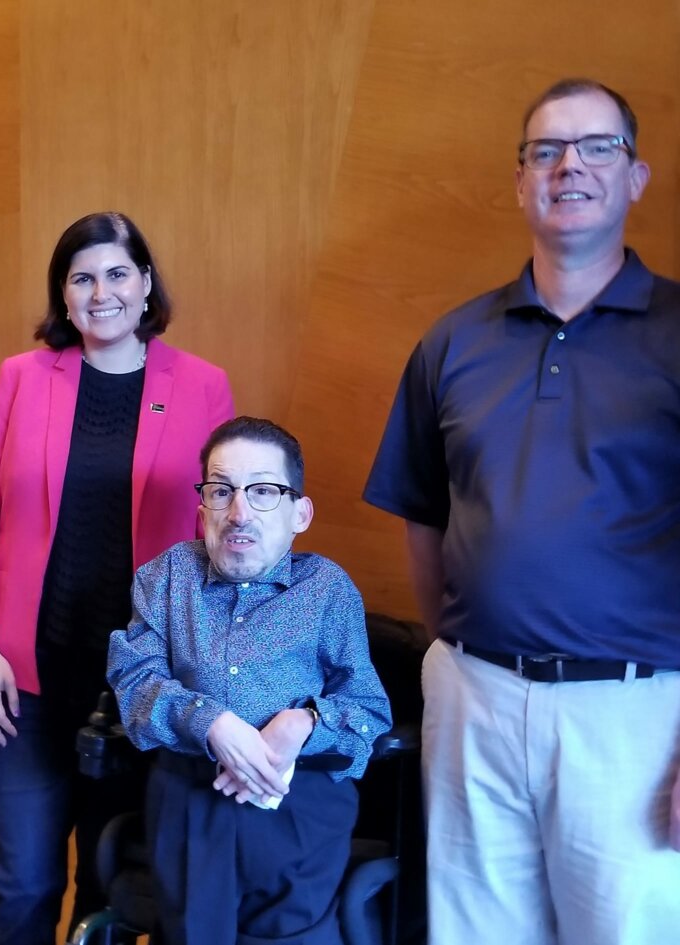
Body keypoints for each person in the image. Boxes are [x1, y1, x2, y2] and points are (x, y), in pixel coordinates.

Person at [363, 78, 680, 945]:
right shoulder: (453, 342)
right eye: (546, 150)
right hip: (476, 699)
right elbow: (423, 513)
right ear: (519, 180)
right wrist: (459, 657)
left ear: (636, 176)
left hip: (636, 717)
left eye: (595, 147)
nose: (569, 164)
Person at [0, 211, 234, 945]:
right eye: (81, 278)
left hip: (142, 685)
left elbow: (224, 531)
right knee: (22, 879)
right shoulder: (22, 378)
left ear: (144, 286)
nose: (100, 292)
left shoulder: (201, 385)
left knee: (111, 881)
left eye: (116, 274)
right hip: (24, 680)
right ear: (64, 297)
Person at [108, 417, 391, 945]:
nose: (239, 512)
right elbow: (134, 679)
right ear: (203, 509)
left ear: (299, 513)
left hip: (297, 808)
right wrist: (210, 722)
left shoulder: (327, 590)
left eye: (264, 492)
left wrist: (303, 723)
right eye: (222, 491)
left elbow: (368, 709)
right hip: (190, 799)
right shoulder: (166, 577)